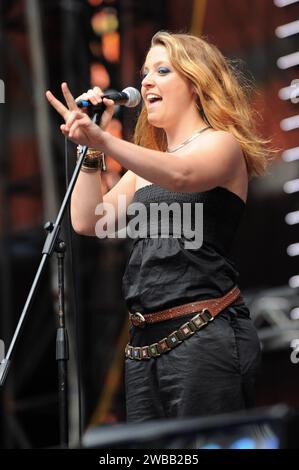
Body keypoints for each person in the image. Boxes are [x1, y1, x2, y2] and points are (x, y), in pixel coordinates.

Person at [46, 31, 271, 423]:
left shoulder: (221, 145)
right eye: (145, 71)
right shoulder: (143, 169)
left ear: (196, 82)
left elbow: (182, 174)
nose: (145, 80)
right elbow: (88, 220)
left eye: (162, 70)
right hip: (143, 349)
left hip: (204, 331)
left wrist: (104, 137)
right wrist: (91, 149)